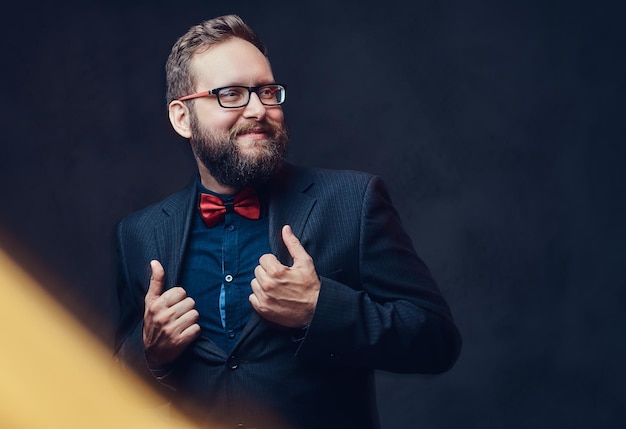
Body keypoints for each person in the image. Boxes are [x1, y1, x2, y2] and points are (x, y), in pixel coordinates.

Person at [113, 14, 461, 429]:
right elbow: (111, 385)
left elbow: (437, 342)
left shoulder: (352, 202)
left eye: (267, 91)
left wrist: (320, 309)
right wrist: (150, 353)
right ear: (182, 118)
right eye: (232, 94)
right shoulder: (139, 235)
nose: (258, 109)